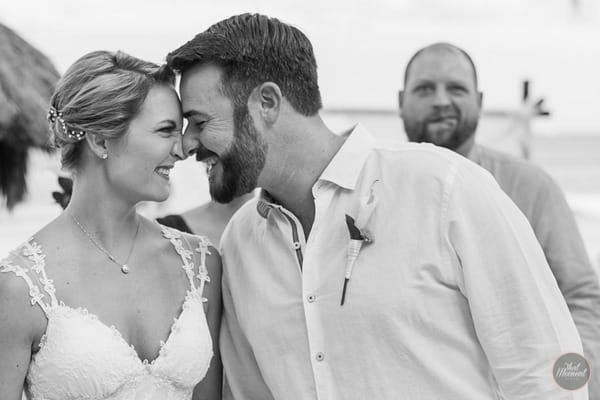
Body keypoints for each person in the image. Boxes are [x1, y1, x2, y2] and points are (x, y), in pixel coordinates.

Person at [167, 13, 586, 399]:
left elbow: (546, 369)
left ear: (268, 103)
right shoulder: (241, 240)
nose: (186, 144)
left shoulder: (443, 188)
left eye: (200, 122)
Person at [0, 50, 222, 400]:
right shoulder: (18, 287)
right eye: (166, 131)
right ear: (101, 140)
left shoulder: (200, 264)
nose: (182, 150)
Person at [398, 42, 600, 399]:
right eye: (425, 88)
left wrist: (565, 384)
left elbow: (582, 297)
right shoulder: (381, 191)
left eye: (456, 88)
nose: (441, 100)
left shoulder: (529, 186)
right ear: (401, 102)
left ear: (479, 100)